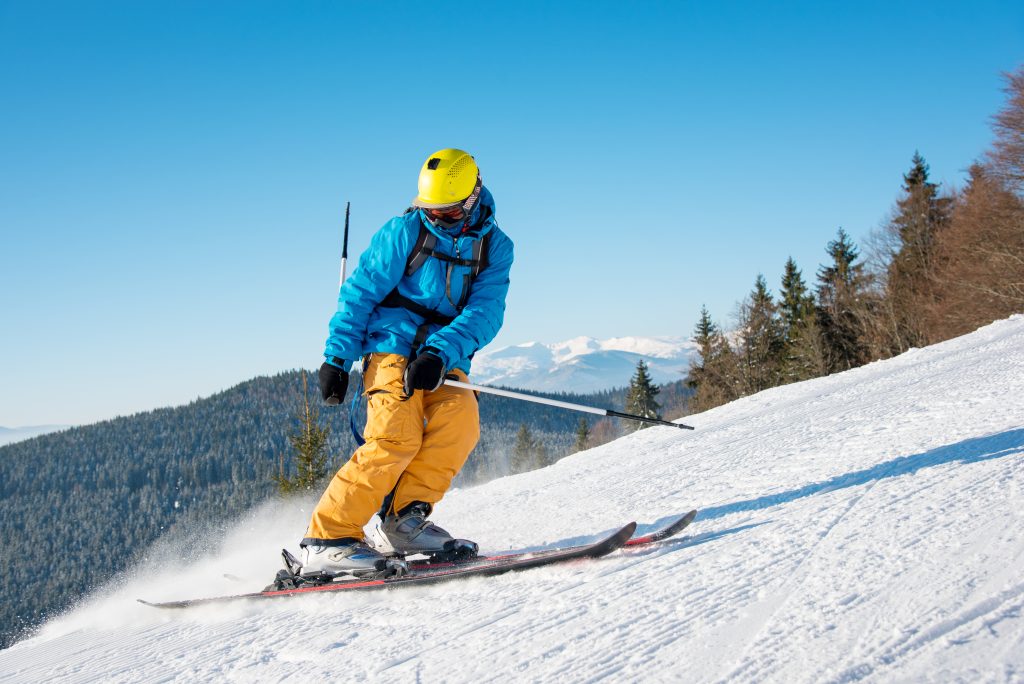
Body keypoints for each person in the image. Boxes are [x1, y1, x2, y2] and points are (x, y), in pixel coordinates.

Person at [301, 148, 514, 577]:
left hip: (440, 355)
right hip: (390, 347)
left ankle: (403, 521)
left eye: (448, 211)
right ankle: (328, 537)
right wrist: (337, 358)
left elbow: (486, 311)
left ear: (472, 198)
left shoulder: (495, 247)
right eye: (430, 210)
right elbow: (359, 293)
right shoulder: (404, 232)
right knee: (395, 438)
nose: (437, 218)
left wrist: (440, 353)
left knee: (460, 422)